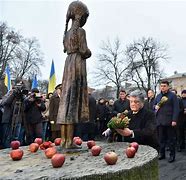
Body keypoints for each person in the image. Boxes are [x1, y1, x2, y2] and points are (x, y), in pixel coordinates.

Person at [57, 1, 91, 149]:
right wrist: (89, 52)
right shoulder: (80, 32)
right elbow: (84, 50)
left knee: (66, 101)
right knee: (72, 101)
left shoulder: (67, 33)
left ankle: (64, 141)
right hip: (77, 64)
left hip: (68, 64)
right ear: (80, 16)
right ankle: (69, 142)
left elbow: (66, 48)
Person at [154, 81, 179, 163]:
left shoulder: (173, 96)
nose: (162, 87)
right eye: (161, 86)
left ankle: (172, 155)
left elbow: (176, 109)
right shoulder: (158, 96)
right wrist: (155, 106)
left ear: (168, 87)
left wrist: (174, 120)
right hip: (160, 122)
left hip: (169, 122)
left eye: (164, 86)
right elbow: (153, 106)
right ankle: (162, 154)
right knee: (161, 139)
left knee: (171, 140)